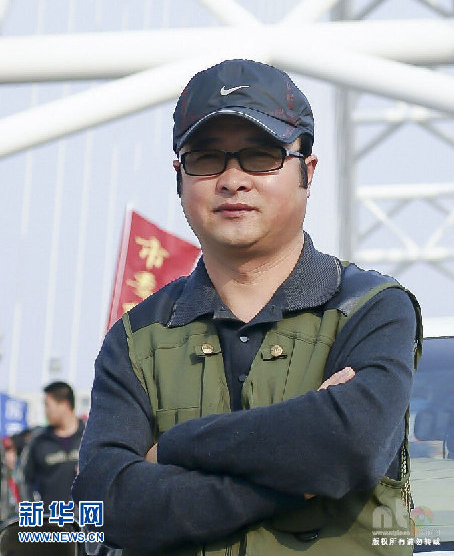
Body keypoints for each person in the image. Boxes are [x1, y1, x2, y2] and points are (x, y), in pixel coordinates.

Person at [72, 59, 422, 555]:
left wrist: (172, 449)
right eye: (206, 158)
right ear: (179, 176)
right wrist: (299, 476)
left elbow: (351, 444)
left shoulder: (370, 308)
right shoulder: (136, 339)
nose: (233, 180)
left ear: (307, 172)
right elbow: (101, 505)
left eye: (261, 156)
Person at [19, 381, 84, 510]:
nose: (45, 411)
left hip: (85, 519)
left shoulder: (89, 438)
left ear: (64, 405)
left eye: (47, 405)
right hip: (49, 519)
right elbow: (25, 481)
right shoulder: (39, 441)